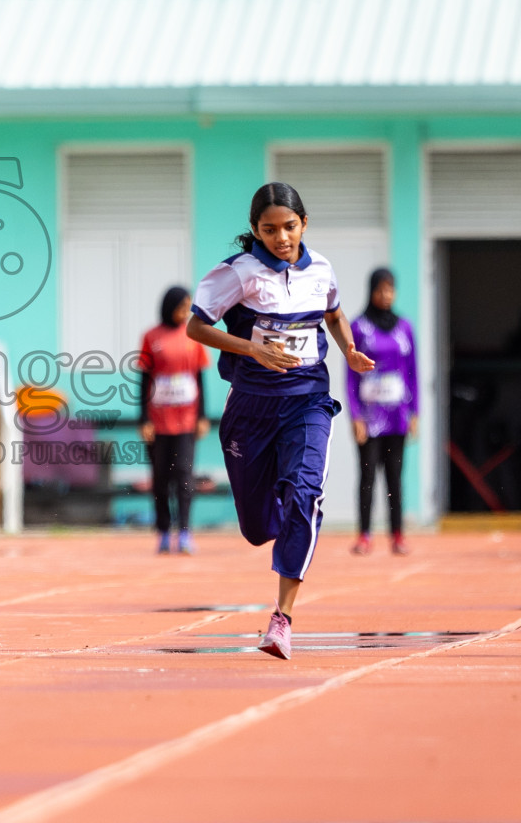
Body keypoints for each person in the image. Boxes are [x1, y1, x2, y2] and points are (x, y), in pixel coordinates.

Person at [187, 183, 375, 660]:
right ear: (255, 231)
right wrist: (251, 347)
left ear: (304, 224)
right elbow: (196, 326)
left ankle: (281, 619)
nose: (281, 237)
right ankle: (279, 504)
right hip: (250, 407)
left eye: (289, 227)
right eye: (269, 230)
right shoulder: (238, 273)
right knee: (256, 527)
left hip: (307, 399)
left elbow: (333, 314)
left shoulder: (322, 269)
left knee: (306, 493)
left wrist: (349, 348)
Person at [346, 268, 418, 557]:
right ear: (371, 291)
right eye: (380, 289)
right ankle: (364, 535)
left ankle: (397, 535)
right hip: (369, 417)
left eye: (390, 289)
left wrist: (415, 412)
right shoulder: (358, 327)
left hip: (397, 416)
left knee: (395, 478)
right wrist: (355, 415)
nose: (385, 295)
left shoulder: (405, 328)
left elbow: (413, 371)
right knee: (367, 477)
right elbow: (350, 376)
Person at [138, 285, 210, 555]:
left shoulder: (194, 334)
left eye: (188, 308)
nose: (184, 313)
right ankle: (163, 532)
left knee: (184, 475)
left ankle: (185, 532)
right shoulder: (151, 337)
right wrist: (143, 419)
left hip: (187, 420)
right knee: (159, 479)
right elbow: (143, 380)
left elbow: (200, 379)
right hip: (158, 422)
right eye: (181, 308)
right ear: (169, 307)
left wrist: (202, 416)